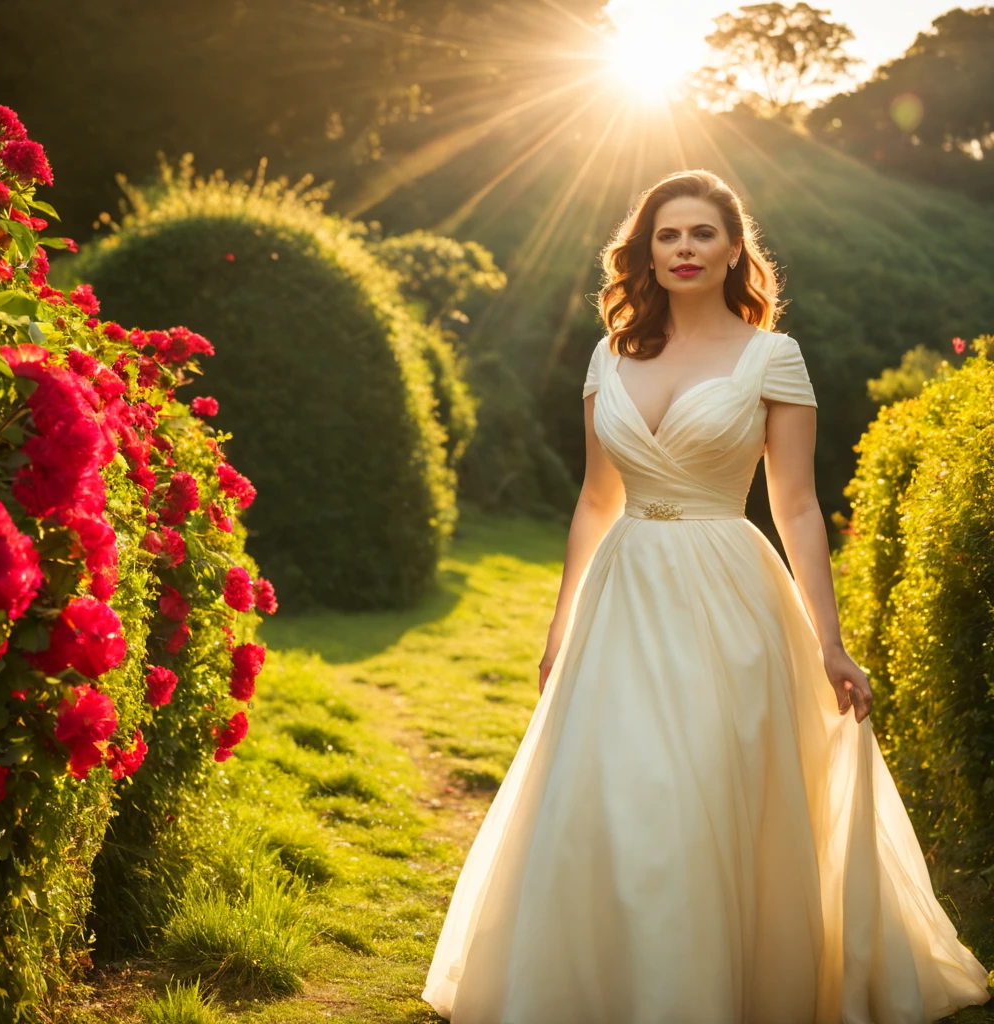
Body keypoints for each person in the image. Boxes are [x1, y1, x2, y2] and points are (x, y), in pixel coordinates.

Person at [421, 169, 992, 1023]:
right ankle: (608, 982)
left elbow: (796, 505)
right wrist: (559, 623)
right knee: (619, 787)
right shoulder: (607, 354)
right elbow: (593, 499)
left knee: (705, 794)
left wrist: (829, 642)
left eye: (701, 234)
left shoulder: (773, 358)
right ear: (646, 253)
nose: (684, 249)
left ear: (734, 250)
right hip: (624, 592)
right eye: (667, 235)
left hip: (730, 597)